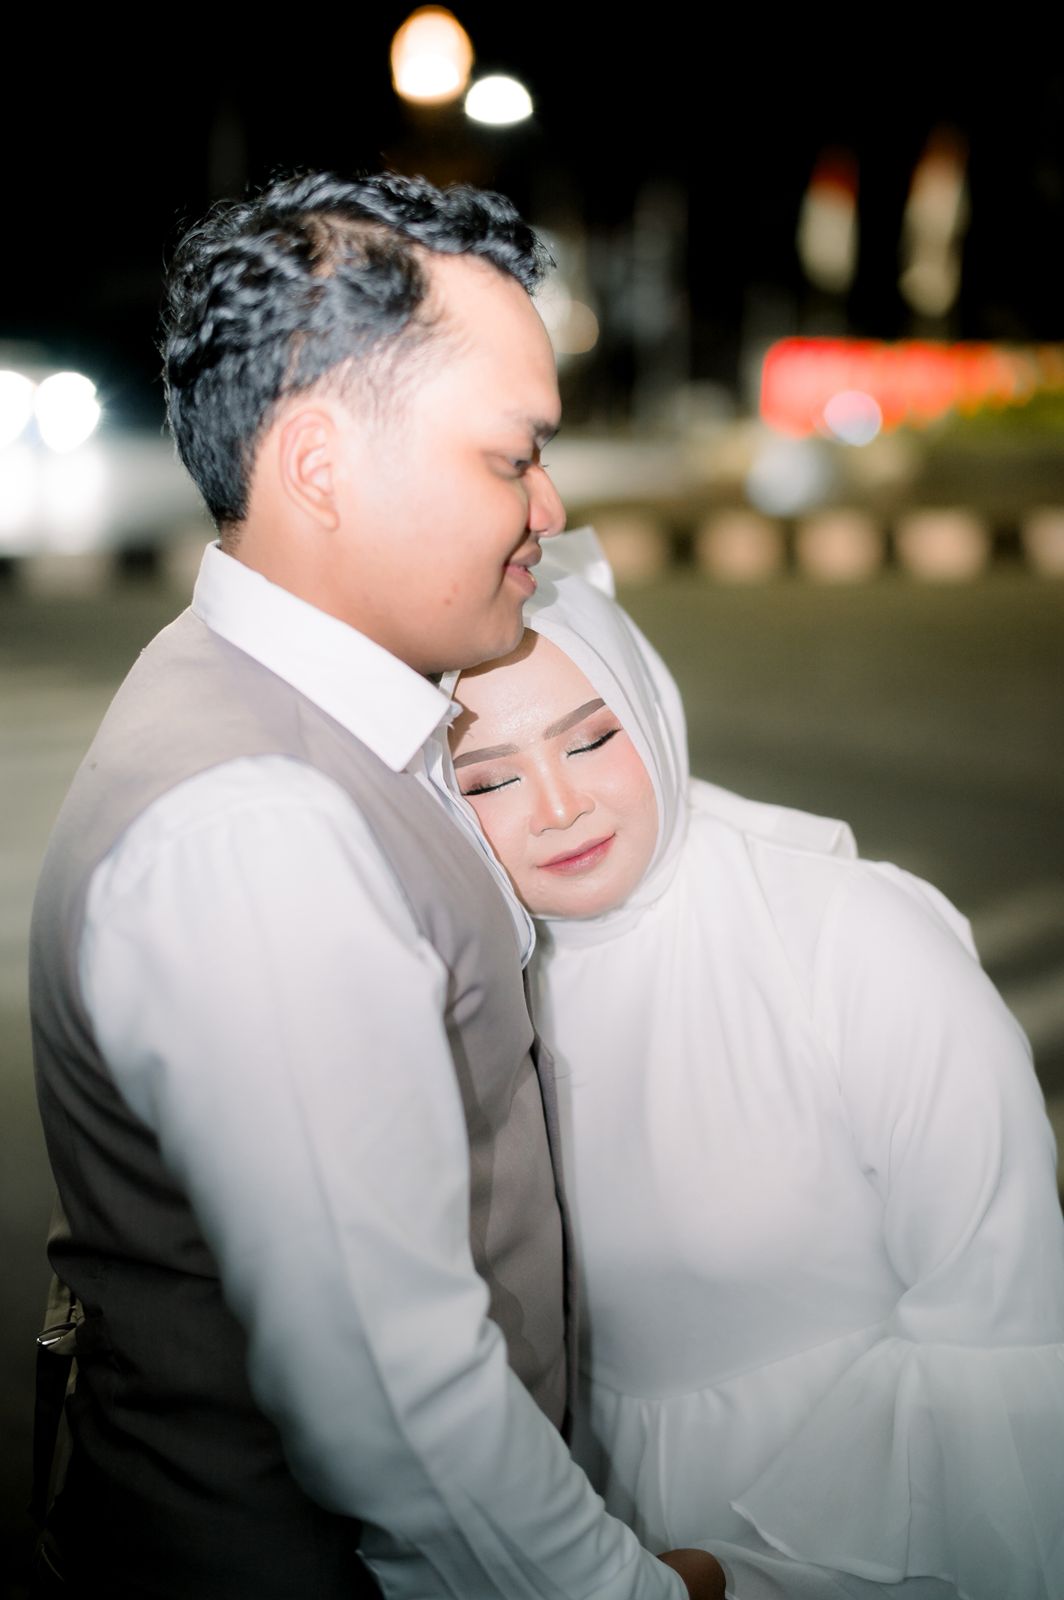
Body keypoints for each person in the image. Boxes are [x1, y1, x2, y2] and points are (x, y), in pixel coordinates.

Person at [28, 175, 724, 1600]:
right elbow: (398, 1406)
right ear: (320, 465)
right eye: (511, 456)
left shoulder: (313, 708)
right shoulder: (259, 827)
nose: (550, 506)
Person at [443, 530, 1064, 1600]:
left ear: (650, 707)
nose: (558, 806)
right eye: (489, 779)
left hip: (883, 1536)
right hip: (600, 1529)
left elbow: (1001, 1324)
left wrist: (746, 1576)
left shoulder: (850, 937)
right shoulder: (469, 984)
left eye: (592, 741)